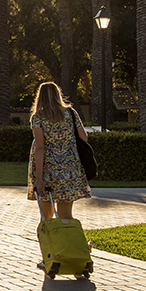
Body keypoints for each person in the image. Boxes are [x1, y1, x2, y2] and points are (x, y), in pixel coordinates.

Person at [28, 81, 91, 220]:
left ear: (40, 97)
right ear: (58, 95)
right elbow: (83, 138)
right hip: (70, 170)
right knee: (66, 216)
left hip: (47, 171)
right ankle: (69, 241)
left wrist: (38, 179)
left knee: (47, 218)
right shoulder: (70, 113)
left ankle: (50, 242)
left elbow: (40, 148)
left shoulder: (38, 118)